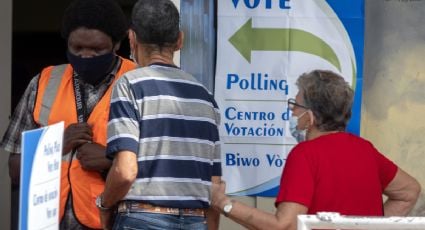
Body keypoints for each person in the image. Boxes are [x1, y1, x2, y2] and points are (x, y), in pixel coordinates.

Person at [211, 70, 421, 230]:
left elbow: (284, 225)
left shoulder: (305, 155)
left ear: (310, 117)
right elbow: (409, 191)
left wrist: (224, 203)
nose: (292, 110)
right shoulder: (366, 150)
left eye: (296, 104)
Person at [0, 0, 136, 229]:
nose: (86, 56)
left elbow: (165, 169)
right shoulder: (43, 83)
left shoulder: (138, 82)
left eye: (97, 49)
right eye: (77, 48)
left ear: (116, 44)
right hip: (52, 221)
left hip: (116, 221)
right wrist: (56, 145)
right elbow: (14, 169)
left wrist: (112, 162)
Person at [96, 0, 222, 229]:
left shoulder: (130, 85)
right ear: (180, 40)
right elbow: (214, 186)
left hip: (142, 218)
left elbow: (125, 170)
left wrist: (104, 205)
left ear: (132, 39)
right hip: (196, 220)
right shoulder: (206, 97)